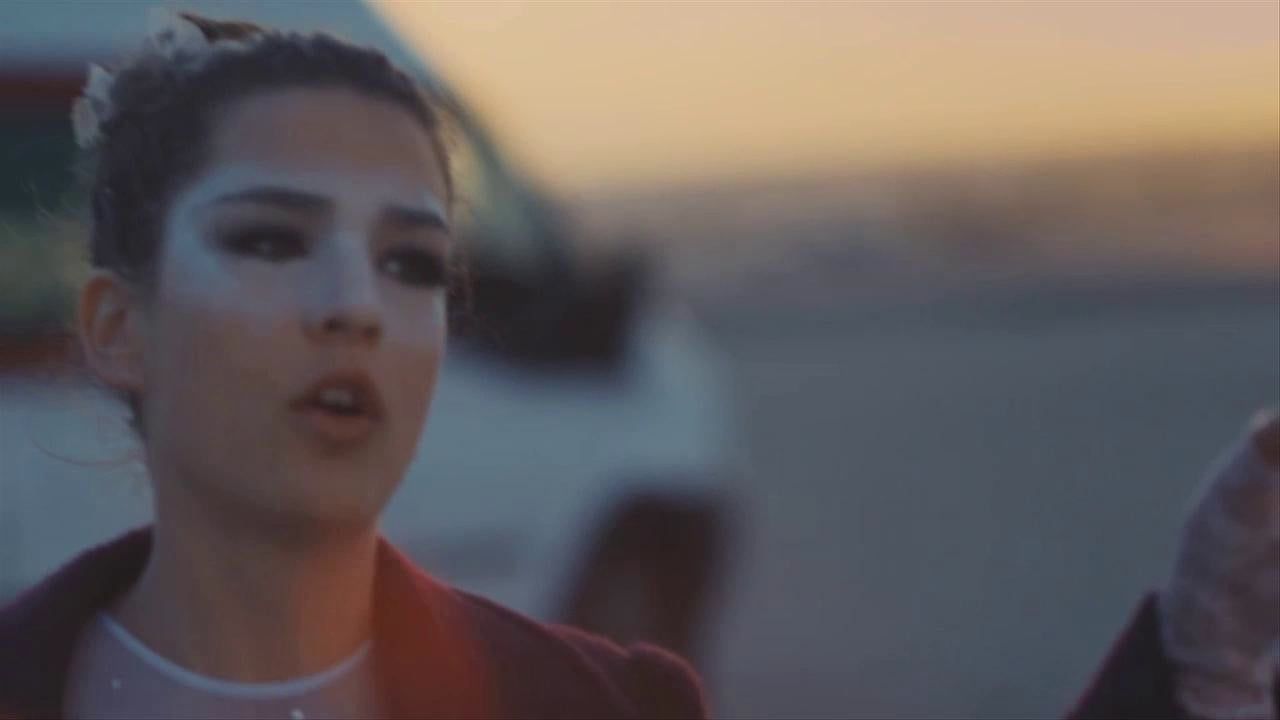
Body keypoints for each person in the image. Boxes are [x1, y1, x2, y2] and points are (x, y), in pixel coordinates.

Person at [0, 9, 1275, 720]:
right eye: (271, 239)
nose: (355, 308)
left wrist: (1194, 664)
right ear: (115, 327)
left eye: (411, 263)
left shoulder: (603, 706)